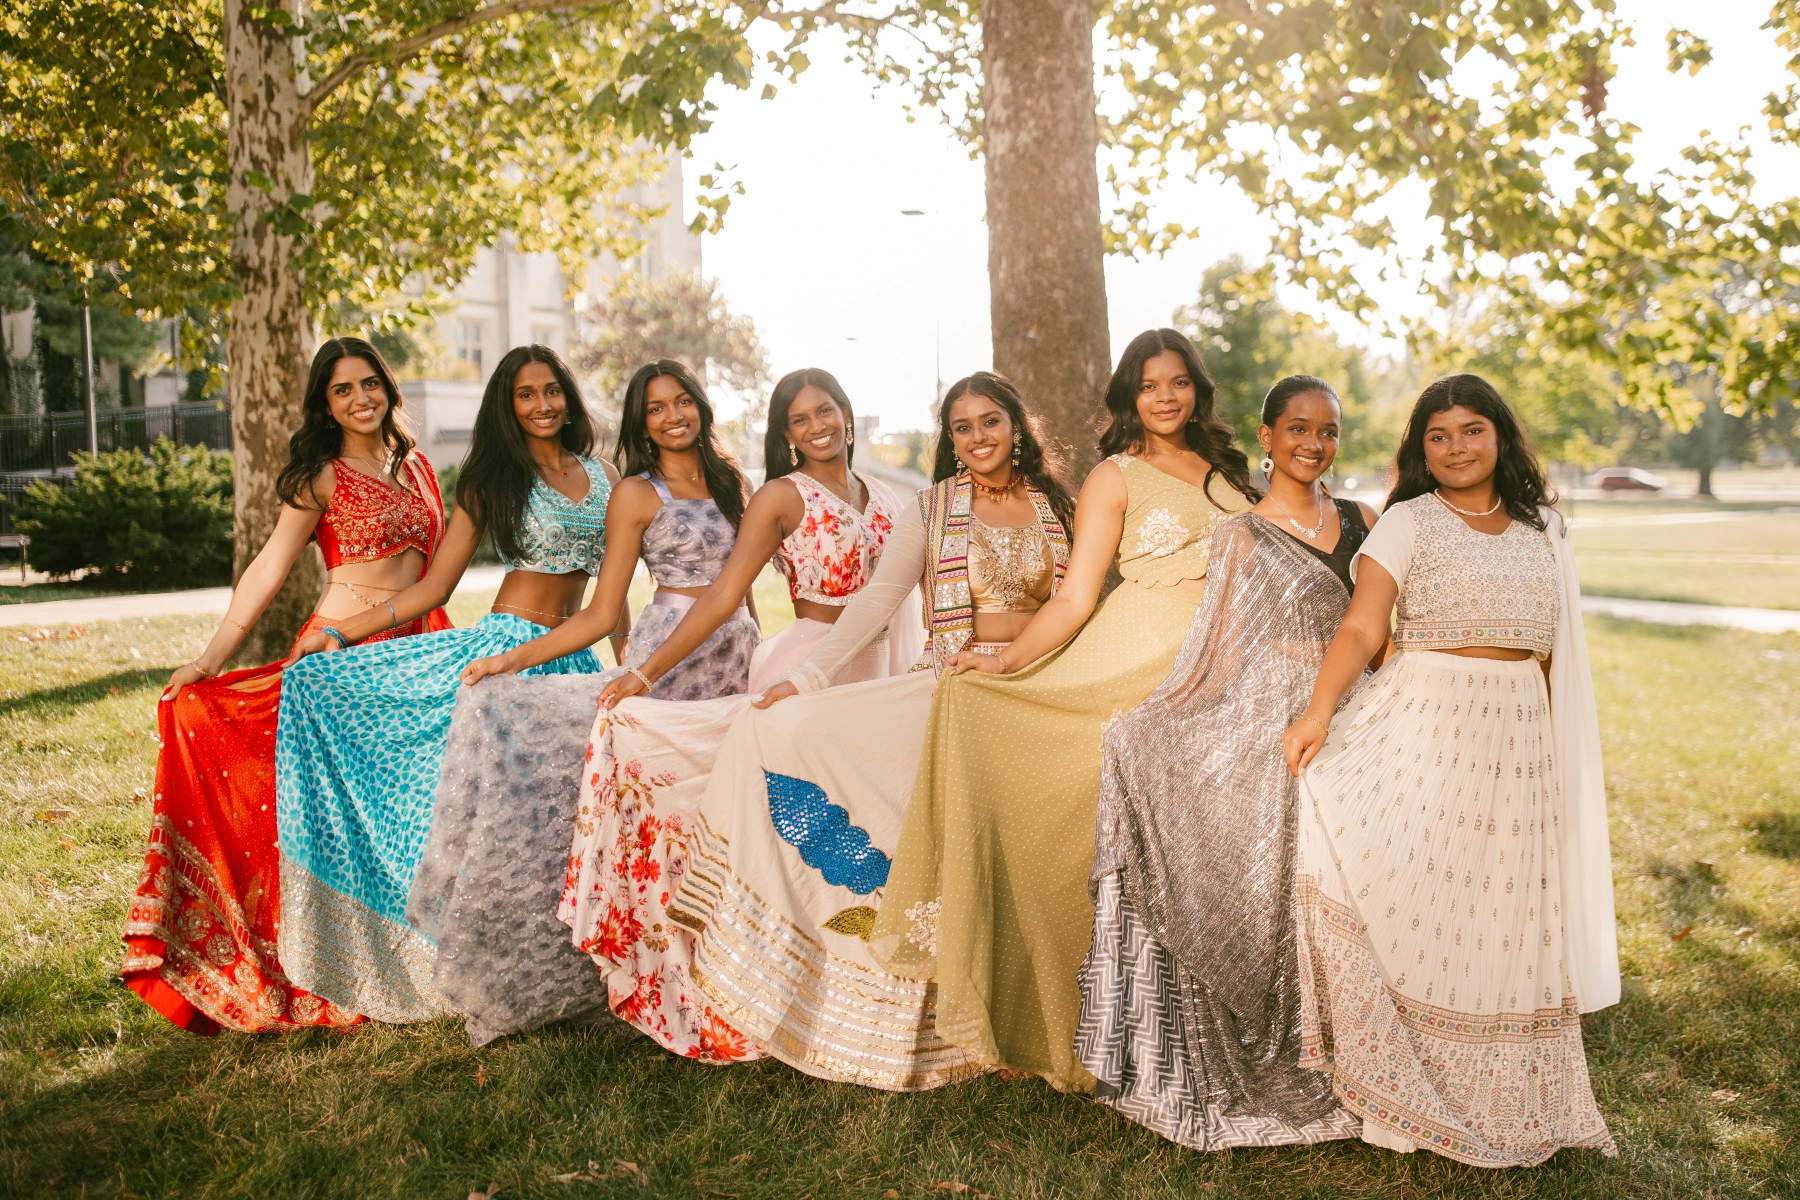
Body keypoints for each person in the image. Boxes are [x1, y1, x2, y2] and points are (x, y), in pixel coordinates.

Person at [867, 329, 1260, 1092]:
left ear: (1197, 389)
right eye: (1149, 385)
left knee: (1194, 843)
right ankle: (1069, 1017)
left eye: (1177, 382)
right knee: (1078, 824)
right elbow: (1077, 596)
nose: (1165, 397)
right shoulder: (1117, 475)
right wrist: (1007, 660)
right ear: (1129, 396)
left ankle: (1194, 1029)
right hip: (1138, 661)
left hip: (1222, 667)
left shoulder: (1228, 475)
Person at [667, 371, 1078, 1090]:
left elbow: (1085, 602)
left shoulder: (1060, 508)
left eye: (990, 421)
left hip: (1042, 688)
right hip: (955, 686)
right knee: (796, 739)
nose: (978, 437)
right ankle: (912, 1014)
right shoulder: (933, 507)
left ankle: (1039, 1013)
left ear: (1018, 426)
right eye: (962, 427)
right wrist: (806, 680)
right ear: (950, 442)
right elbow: (877, 601)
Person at [1280, 374, 1618, 1166]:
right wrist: (1319, 713)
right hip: (1426, 721)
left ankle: (1499, 1093)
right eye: (1439, 435)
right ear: (1420, 450)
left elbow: (1553, 652)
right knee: (1423, 898)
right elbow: (1363, 627)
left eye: (1471, 430)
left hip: (1519, 734)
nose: (1457, 447)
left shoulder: (1544, 528)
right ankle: (1402, 1086)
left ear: (1500, 436)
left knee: (1503, 908)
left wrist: (1552, 751)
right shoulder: (1408, 522)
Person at [558, 367, 922, 1061]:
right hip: (811, 664)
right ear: (785, 435)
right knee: (794, 832)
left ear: (848, 414)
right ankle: (733, 984)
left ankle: (860, 987)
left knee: (869, 825)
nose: (817, 426)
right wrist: (643, 672)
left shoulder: (884, 495)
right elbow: (725, 592)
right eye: (799, 419)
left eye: (826, 411)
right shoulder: (781, 495)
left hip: (874, 670)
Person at [405, 359, 759, 1046]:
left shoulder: (731, 481)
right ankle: (664, 979)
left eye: (682, 401)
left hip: (734, 658)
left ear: (701, 405)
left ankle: (731, 961)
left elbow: (740, 590)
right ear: (640, 423)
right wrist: (513, 660)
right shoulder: (634, 492)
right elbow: (601, 611)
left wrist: (760, 651)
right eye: (655, 408)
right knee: (664, 819)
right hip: (669, 660)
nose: (673, 416)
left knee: (727, 811)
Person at [1075, 375, 1379, 1149]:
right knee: (1287, 881)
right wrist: (1145, 729)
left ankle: (1372, 1053)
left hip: (1365, 713)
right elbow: (1221, 656)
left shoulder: (1363, 520)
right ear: (1268, 438)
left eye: (1328, 431)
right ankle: (1298, 1046)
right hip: (1282, 716)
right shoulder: (1240, 534)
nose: (1313, 444)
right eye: (1298, 429)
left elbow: (1383, 631)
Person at [274, 345, 619, 1024]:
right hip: (505, 658)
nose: (543, 405)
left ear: (569, 396)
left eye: (552, 390)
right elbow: (434, 587)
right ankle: (494, 977)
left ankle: (572, 968)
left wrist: (632, 669)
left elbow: (614, 598)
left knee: (572, 818)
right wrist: (342, 634)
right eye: (525, 395)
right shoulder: (492, 479)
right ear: (506, 406)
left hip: (575, 659)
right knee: (510, 829)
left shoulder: (606, 476)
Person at [121, 337, 450, 1034]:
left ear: (388, 387)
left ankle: (412, 959)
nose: (360, 399)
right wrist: (212, 658)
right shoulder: (322, 477)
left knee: (412, 809)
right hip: (340, 658)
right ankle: (334, 966)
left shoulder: (417, 465)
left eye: (369, 383)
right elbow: (269, 565)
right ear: (325, 405)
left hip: (413, 648)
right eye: (342, 390)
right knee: (345, 819)